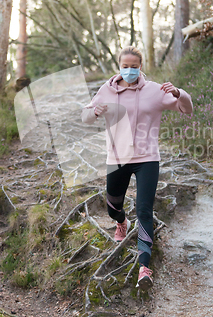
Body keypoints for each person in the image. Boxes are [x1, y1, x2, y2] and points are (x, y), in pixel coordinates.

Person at [81, 46, 193, 291]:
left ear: (140, 66)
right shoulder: (107, 90)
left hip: (147, 158)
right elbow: (85, 116)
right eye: (125, 66)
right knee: (112, 207)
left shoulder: (154, 91)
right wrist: (94, 112)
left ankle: (144, 266)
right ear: (119, 66)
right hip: (117, 157)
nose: (129, 70)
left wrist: (178, 92)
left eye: (134, 66)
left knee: (144, 209)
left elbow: (187, 109)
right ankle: (121, 222)